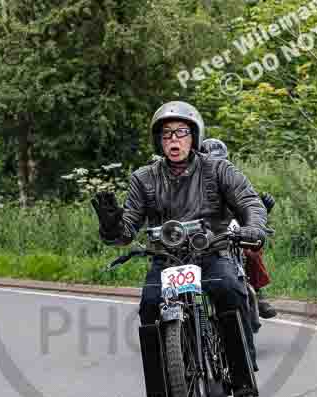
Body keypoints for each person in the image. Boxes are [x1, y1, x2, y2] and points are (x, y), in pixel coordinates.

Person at [91, 101, 267, 376]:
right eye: (166, 134)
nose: (174, 139)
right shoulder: (143, 178)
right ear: (158, 141)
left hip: (211, 253)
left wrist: (253, 227)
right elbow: (126, 233)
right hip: (167, 260)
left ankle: (241, 369)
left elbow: (249, 202)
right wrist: (112, 226)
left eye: (181, 132)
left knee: (230, 289)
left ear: (194, 136)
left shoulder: (219, 169)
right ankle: (165, 383)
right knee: (149, 305)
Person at [200, 138, 278, 319]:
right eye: (211, 160)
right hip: (201, 234)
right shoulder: (192, 183)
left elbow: (247, 203)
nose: (216, 164)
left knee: (251, 250)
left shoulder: (231, 177)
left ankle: (257, 293)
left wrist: (263, 208)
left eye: (221, 160)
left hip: (232, 228)